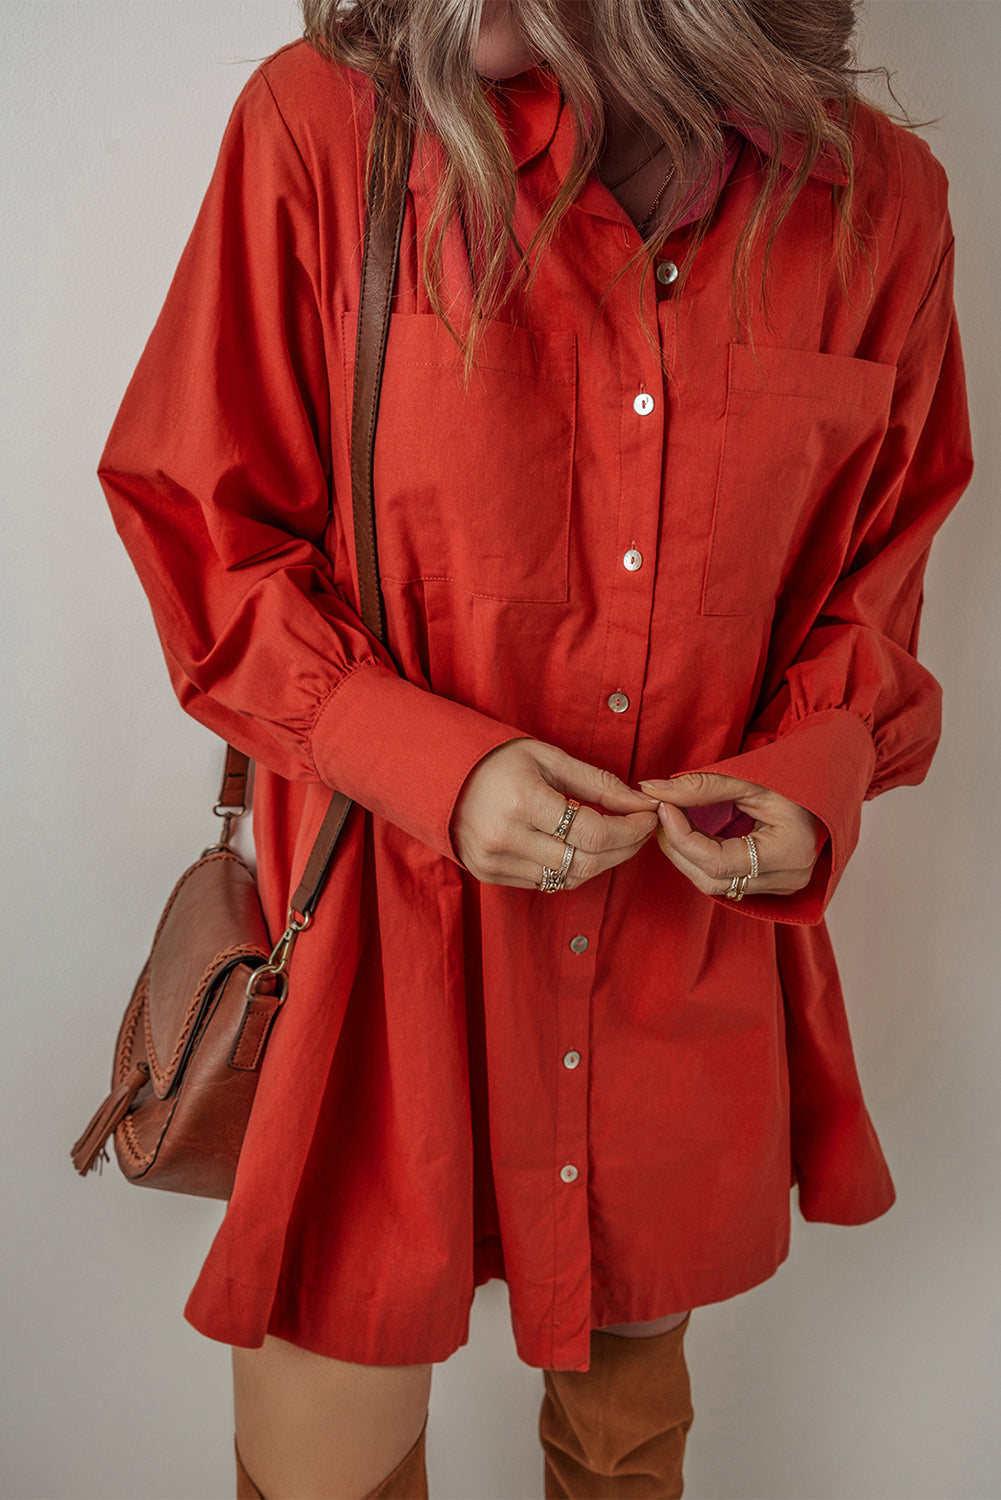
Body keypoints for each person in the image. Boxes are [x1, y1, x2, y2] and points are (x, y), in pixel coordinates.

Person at [95, 0, 974, 1495]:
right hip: (383, 958)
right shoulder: (325, 131)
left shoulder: (872, 197)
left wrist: (808, 782)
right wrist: (429, 761)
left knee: (626, 1452)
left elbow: (874, 579)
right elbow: (204, 530)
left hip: (671, 966)